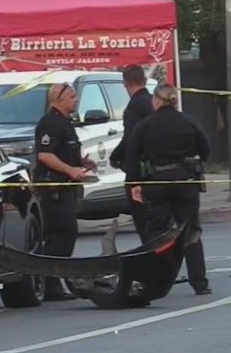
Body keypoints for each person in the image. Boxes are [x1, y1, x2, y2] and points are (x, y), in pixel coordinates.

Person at [123, 84, 212, 296]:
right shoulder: (189, 121)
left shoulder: (145, 126)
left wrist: (134, 184)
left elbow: (132, 158)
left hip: (156, 183)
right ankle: (200, 283)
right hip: (185, 181)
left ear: (156, 101)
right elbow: (206, 149)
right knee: (190, 231)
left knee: (156, 233)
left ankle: (155, 282)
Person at [33, 82, 97, 301]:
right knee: (62, 233)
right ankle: (51, 282)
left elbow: (63, 152)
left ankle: (53, 282)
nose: (76, 100)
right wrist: (71, 170)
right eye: (72, 96)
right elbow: (45, 155)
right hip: (54, 190)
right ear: (59, 100)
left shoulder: (65, 124)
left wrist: (82, 163)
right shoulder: (50, 123)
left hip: (67, 188)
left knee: (62, 235)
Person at [107, 64, 154, 241]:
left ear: (125, 83)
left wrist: (116, 156)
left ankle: (150, 258)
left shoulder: (134, 106)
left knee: (143, 222)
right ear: (145, 80)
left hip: (140, 172)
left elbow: (131, 138)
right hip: (157, 170)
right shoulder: (153, 102)